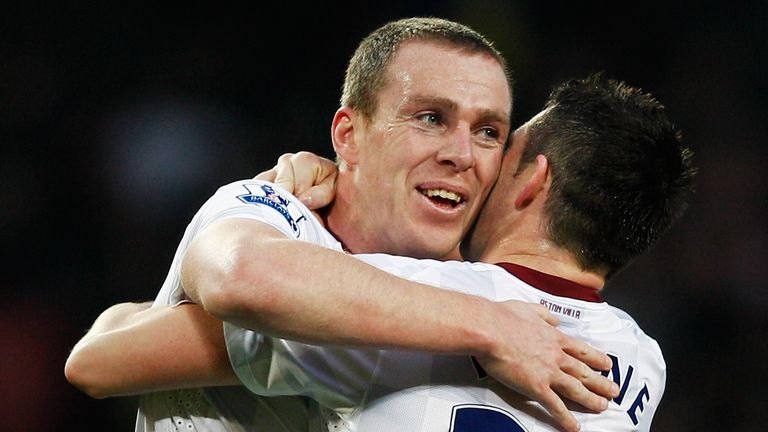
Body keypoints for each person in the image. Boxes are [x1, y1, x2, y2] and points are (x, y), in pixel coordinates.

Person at [65, 17, 615, 432]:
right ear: (349, 135)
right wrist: (488, 324)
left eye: (489, 132)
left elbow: (104, 352)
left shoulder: (481, 300)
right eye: (431, 118)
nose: (462, 154)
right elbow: (99, 361)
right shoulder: (271, 213)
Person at [218, 72, 695, 431]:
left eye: (499, 146)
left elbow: (212, 307)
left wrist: (269, 203)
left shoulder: (405, 296)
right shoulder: (645, 363)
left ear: (533, 179)